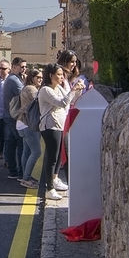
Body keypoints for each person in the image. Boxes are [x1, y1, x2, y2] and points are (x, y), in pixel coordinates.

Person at [36, 63, 85, 204]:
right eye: (58, 74)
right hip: (50, 126)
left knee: (58, 156)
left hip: (60, 125)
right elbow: (62, 103)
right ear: (50, 75)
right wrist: (72, 90)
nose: (61, 77)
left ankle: (55, 180)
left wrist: (78, 90)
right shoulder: (46, 90)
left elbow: (71, 101)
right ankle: (49, 188)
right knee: (52, 157)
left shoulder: (59, 88)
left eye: (62, 74)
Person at [17, 68, 45, 188]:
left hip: (22, 123)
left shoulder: (26, 88)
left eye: (41, 77)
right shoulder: (31, 89)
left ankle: (25, 176)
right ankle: (26, 178)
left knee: (27, 151)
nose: (40, 79)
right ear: (32, 78)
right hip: (29, 124)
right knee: (36, 151)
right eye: (38, 77)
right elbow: (39, 103)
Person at [1, 57, 25, 180]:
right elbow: (25, 95)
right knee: (19, 142)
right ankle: (20, 171)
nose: (24, 69)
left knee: (11, 143)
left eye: (25, 67)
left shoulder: (14, 79)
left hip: (10, 115)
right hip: (13, 116)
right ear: (14, 67)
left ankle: (13, 170)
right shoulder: (14, 80)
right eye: (22, 67)